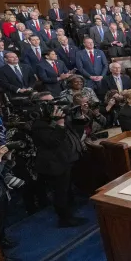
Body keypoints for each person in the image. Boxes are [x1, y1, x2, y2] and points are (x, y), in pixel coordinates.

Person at [30, 92, 87, 228]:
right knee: (60, 192)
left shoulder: (57, 116)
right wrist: (60, 124)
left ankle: (69, 210)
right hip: (55, 163)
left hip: (67, 159)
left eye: (53, 101)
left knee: (67, 189)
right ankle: (65, 219)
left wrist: (80, 116)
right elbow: (52, 142)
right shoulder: (39, 124)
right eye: (48, 102)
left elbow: (76, 131)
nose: (54, 104)